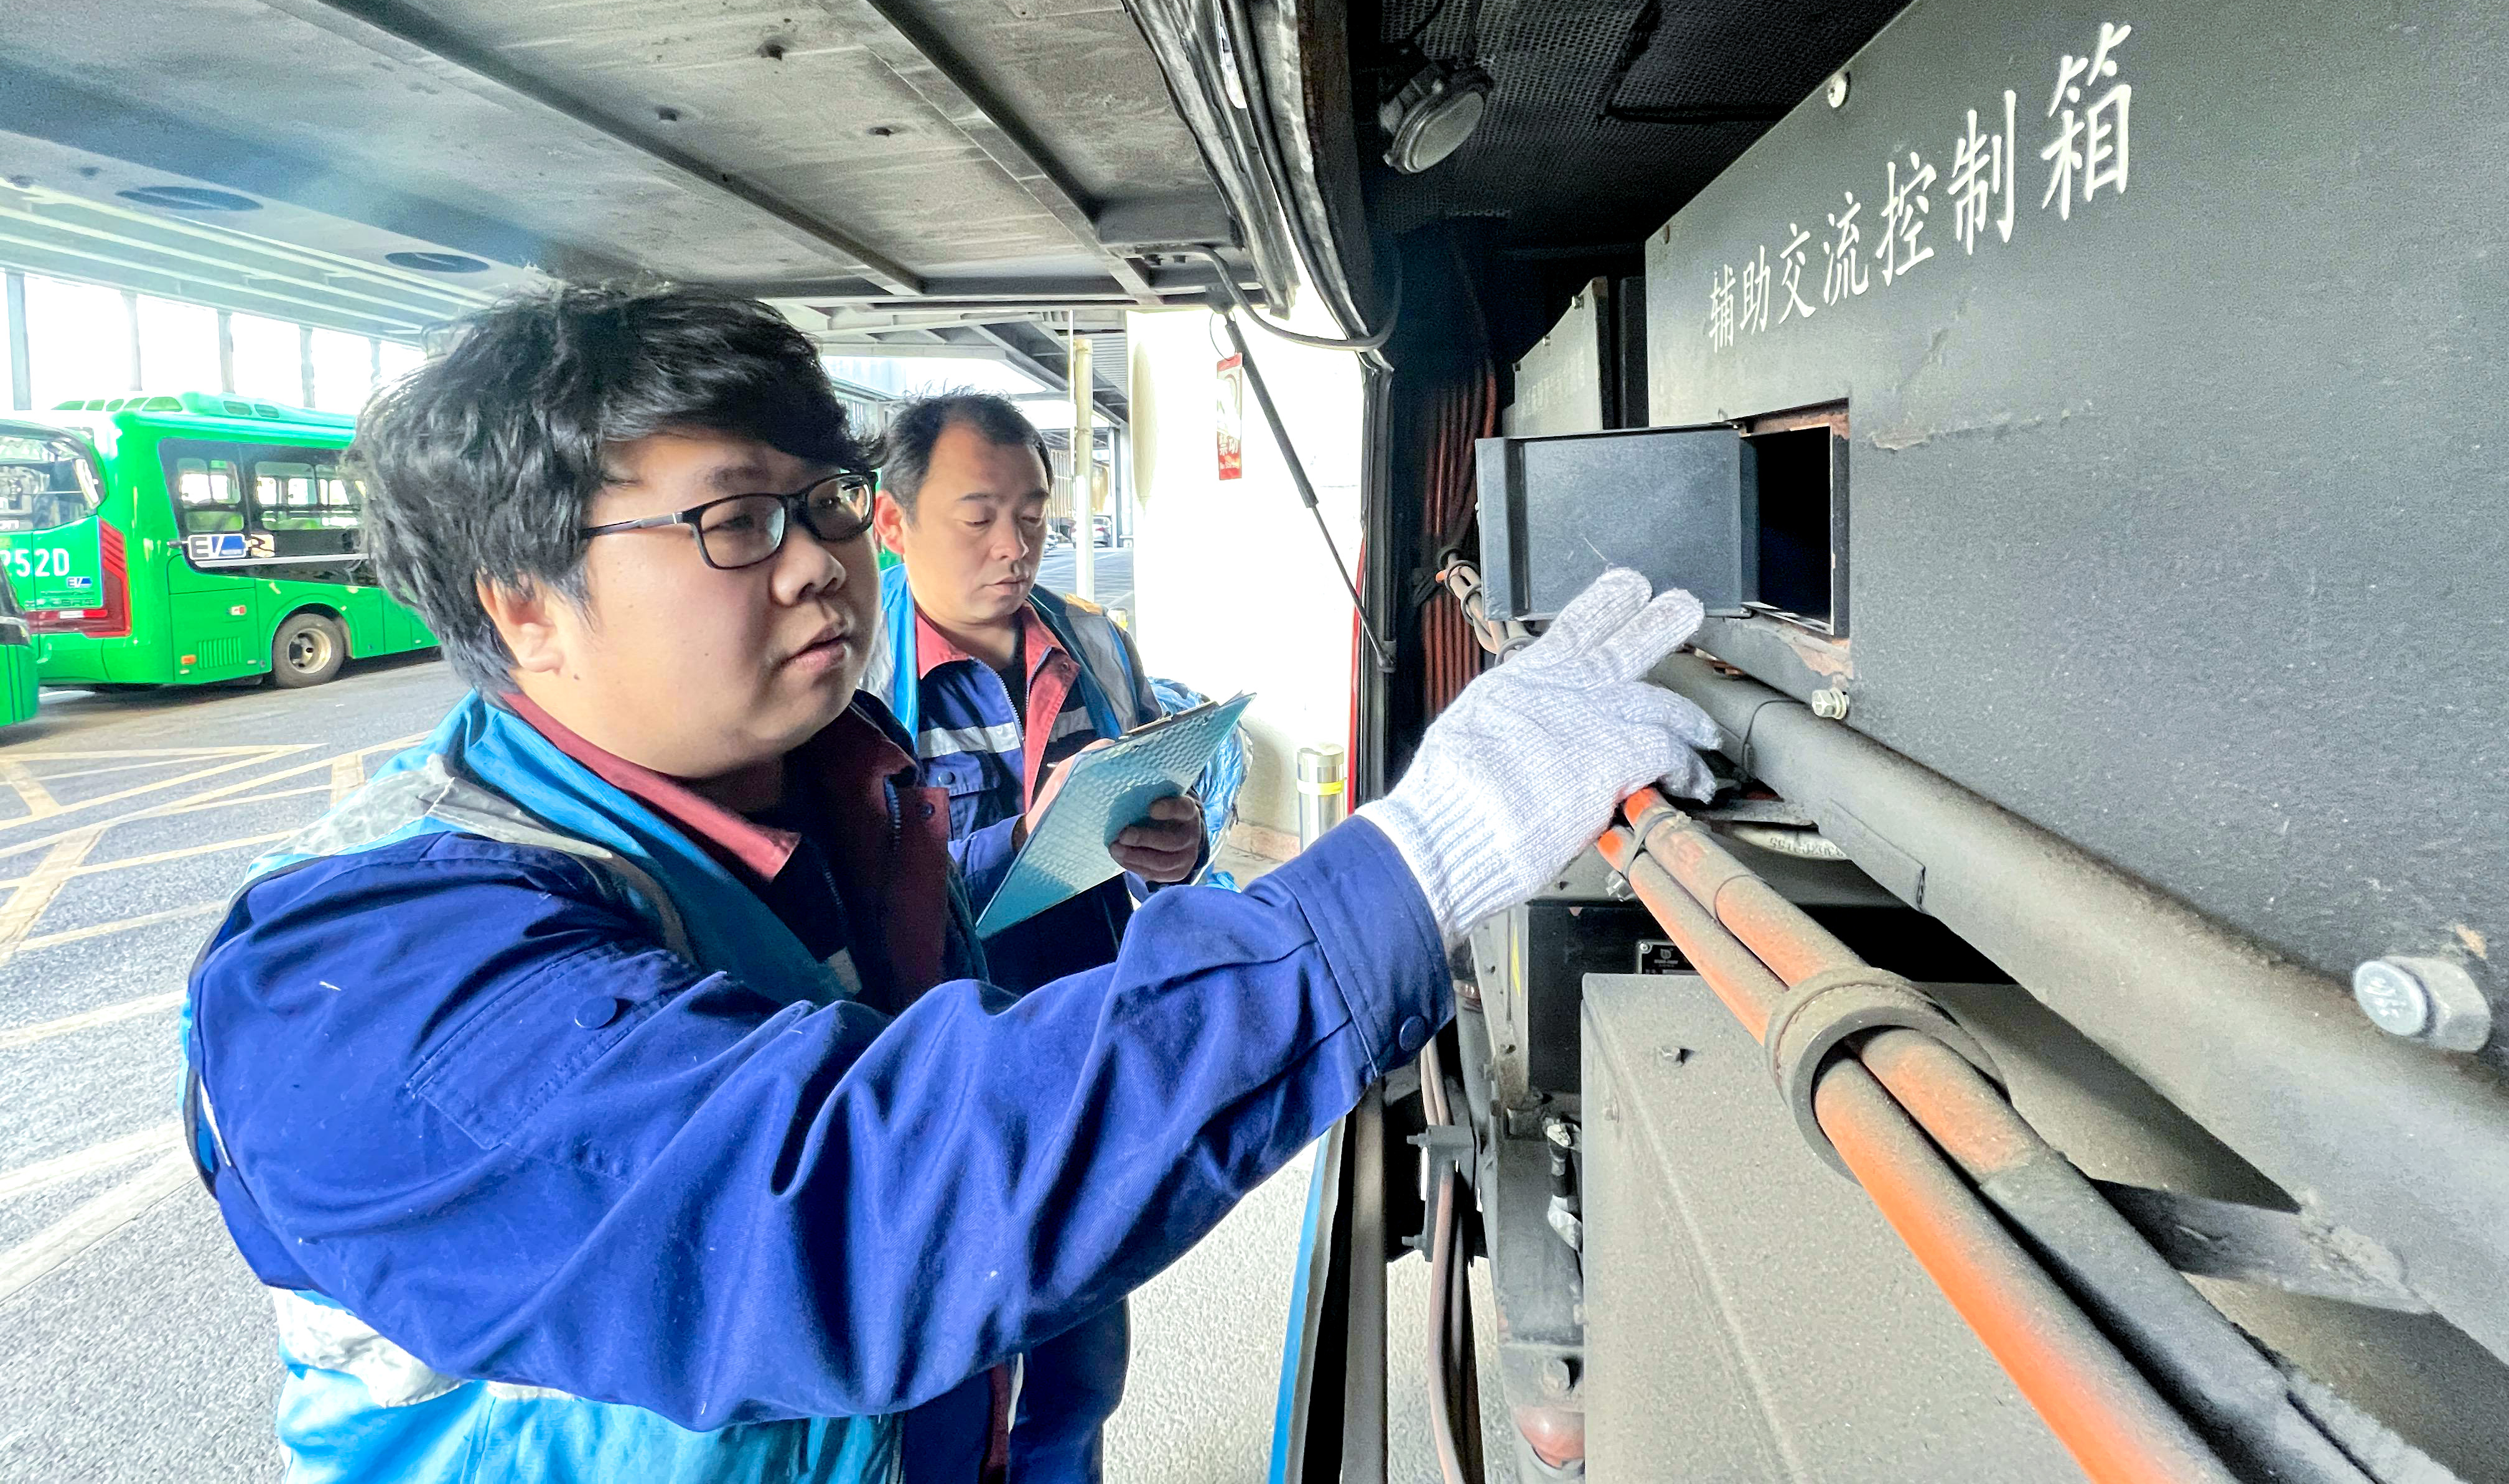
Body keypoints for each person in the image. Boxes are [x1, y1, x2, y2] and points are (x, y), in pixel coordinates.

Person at [179, 283, 1723, 1484]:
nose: (818, 562)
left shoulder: (835, 792)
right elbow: (848, 1207)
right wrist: (1410, 867)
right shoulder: (372, 972)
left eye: (826, 502)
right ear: (525, 606)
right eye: (737, 519)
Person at [867, 393, 1187, 1480]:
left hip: (1087, 1048)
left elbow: (1149, 809)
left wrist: (1172, 846)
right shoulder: (851, 669)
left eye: (1035, 516)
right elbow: (851, 885)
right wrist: (1020, 840)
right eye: (979, 517)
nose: (1015, 547)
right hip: (933, 1081)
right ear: (894, 524)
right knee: (942, 1386)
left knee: (1080, 1373)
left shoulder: (1093, 642)